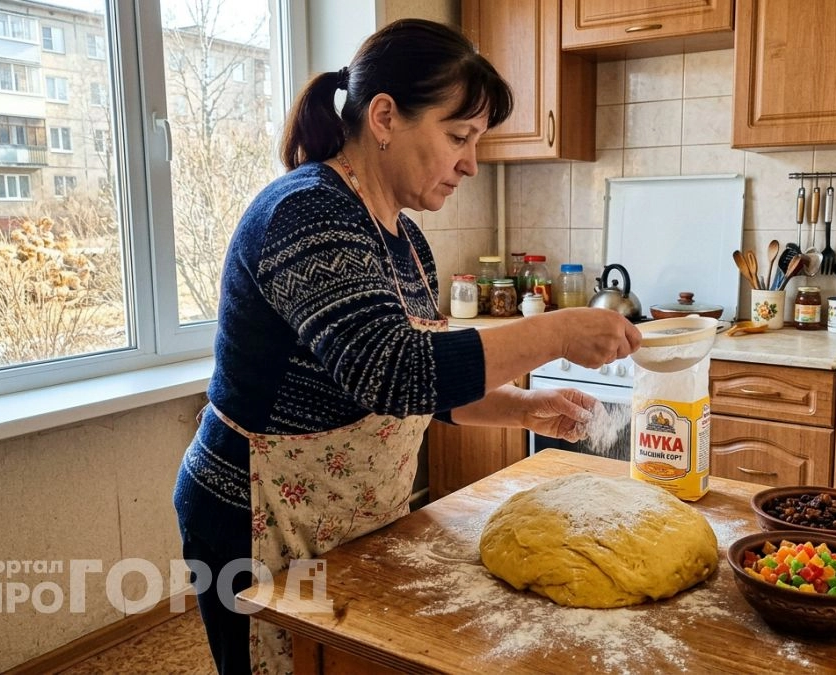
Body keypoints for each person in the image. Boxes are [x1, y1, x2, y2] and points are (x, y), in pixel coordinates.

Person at [172, 18, 641, 674]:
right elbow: (390, 371)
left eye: (476, 141)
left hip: (347, 516)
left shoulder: (405, 239)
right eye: (458, 136)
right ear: (386, 117)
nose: (471, 163)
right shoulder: (309, 213)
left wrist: (524, 409)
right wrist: (559, 331)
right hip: (257, 516)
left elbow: (428, 386)